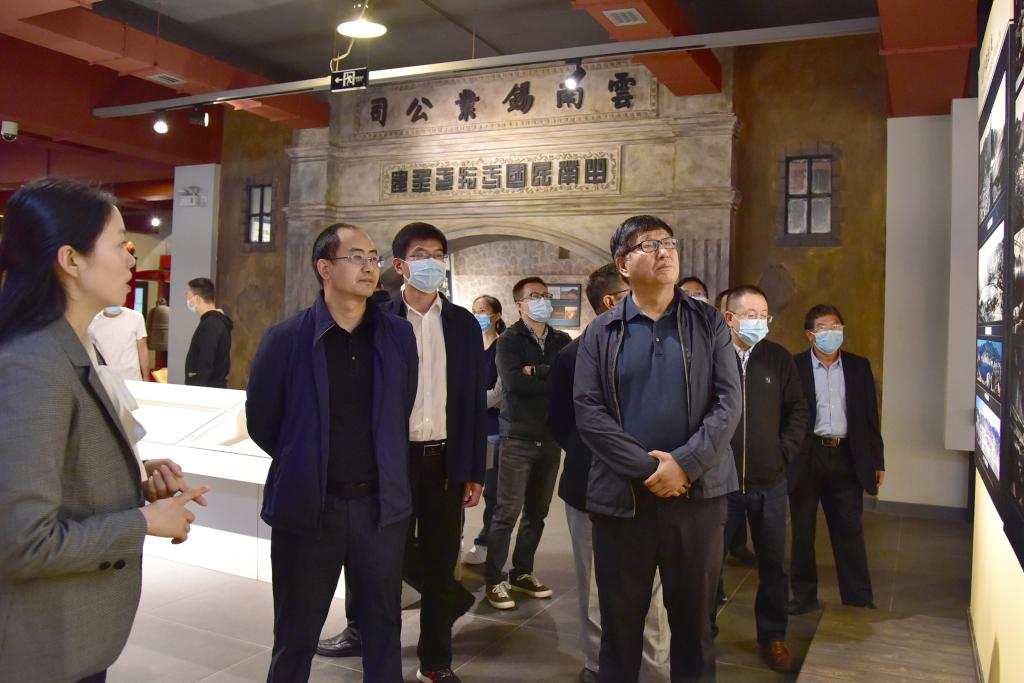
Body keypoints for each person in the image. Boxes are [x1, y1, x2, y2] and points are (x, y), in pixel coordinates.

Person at [0, 178, 207, 683]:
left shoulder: (71, 346)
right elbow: (22, 541)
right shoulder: (33, 365)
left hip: (72, 640)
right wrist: (145, 521)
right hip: (38, 648)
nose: (131, 259)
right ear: (71, 260)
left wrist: (133, 476)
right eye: (120, 245)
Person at [246, 223, 419, 682]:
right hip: (310, 508)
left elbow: (400, 408)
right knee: (296, 635)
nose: (369, 267)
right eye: (356, 257)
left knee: (383, 630)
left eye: (373, 258)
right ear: (325, 268)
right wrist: (307, 459)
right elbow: (263, 421)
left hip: (379, 509)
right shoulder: (286, 338)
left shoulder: (398, 336)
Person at [574, 215, 741, 682]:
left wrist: (685, 465)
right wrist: (649, 470)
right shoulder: (601, 332)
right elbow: (588, 411)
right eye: (648, 245)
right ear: (623, 265)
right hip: (623, 501)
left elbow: (729, 402)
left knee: (695, 629)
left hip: (698, 497)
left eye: (668, 242)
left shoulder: (708, 322)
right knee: (620, 631)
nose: (664, 251)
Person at [317, 222, 486, 683]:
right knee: (376, 560)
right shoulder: (379, 318)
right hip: (388, 460)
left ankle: (436, 661)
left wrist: (474, 468)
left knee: (440, 561)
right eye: (421, 255)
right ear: (400, 265)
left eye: (438, 255)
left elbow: (472, 401)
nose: (432, 263)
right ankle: (369, 641)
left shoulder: (462, 324)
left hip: (444, 461)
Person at [550, 263, 669, 683]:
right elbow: (563, 424)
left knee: (655, 587)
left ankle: (655, 668)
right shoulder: (572, 356)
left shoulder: (658, 345)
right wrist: (607, 457)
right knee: (597, 586)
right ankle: (599, 665)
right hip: (590, 486)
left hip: (653, 483)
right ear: (611, 301)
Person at [713, 285, 808, 673]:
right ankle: (701, 635)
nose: (759, 321)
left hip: (769, 483)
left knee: (774, 565)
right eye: (750, 314)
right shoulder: (712, 356)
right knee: (709, 565)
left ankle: (773, 637)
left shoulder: (777, 358)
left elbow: (798, 410)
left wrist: (782, 451)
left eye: (763, 315)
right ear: (729, 318)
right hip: (720, 485)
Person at [789, 304, 884, 615]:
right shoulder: (794, 366)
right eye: (823, 328)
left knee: (849, 530)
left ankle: (858, 598)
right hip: (807, 456)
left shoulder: (858, 366)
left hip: (846, 456)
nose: (831, 333)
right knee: (802, 531)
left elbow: (870, 417)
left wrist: (877, 460)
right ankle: (803, 596)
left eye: (835, 326)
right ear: (810, 335)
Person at [483, 276, 572, 610]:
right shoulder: (509, 340)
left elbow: (569, 380)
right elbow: (514, 383)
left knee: (537, 512)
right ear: (519, 304)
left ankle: (522, 572)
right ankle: (494, 579)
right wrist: (546, 376)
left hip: (550, 436)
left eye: (546, 295)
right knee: (507, 512)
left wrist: (536, 371)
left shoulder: (561, 339)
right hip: (517, 436)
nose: (542, 301)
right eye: (534, 296)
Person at [463, 294, 507, 566]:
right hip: (466, 429)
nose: (478, 315)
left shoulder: (503, 348)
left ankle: (484, 543)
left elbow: (499, 394)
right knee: (458, 486)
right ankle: (453, 540)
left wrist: (468, 399)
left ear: (496, 316)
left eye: (483, 310)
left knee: (492, 493)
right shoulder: (467, 347)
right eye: (475, 310)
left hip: (492, 431)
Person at [184, 277, 232, 388]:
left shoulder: (210, 324)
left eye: (188, 297)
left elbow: (206, 362)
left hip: (207, 390)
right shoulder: (216, 321)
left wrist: (198, 389)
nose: (187, 301)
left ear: (197, 299)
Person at [88, 304, 151, 381]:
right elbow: (92, 354)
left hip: (132, 378)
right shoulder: (92, 322)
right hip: (107, 380)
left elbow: (142, 349)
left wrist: (146, 378)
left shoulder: (136, 317)